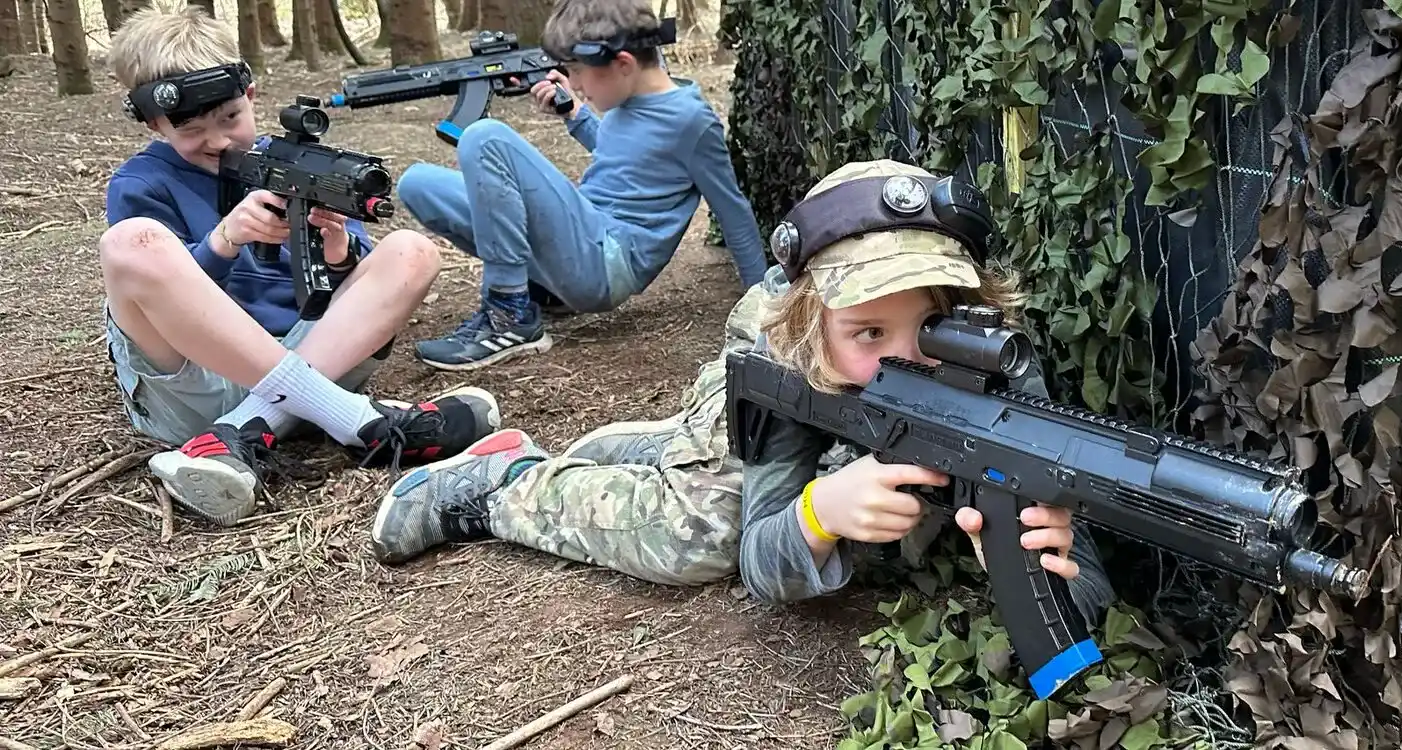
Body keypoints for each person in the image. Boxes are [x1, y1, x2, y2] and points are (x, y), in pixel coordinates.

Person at [367, 160, 1115, 631]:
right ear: (811, 321)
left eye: (935, 325)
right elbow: (763, 562)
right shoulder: (785, 351)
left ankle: (657, 448)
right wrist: (820, 515)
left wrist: (1040, 560)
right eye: (870, 331)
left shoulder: (999, 368)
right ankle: (498, 484)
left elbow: (1085, 594)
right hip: (776, 379)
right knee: (701, 538)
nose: (909, 355)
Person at [99, 4, 503, 528]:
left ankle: (239, 433)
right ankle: (354, 419)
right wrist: (224, 240)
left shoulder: (292, 162)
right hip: (194, 382)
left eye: (229, 119)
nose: (218, 140)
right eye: (192, 129)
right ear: (153, 123)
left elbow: (345, 287)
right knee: (130, 243)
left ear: (251, 96)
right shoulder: (142, 183)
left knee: (411, 251)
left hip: (312, 357)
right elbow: (162, 308)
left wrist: (336, 249)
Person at [392, 0, 768, 372]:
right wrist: (575, 115)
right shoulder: (628, 98)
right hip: (582, 241)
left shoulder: (692, 122)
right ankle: (541, 290)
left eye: (576, 71)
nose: (573, 83)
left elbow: (732, 211)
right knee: (418, 183)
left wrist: (762, 303)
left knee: (485, 137)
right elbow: (622, 157)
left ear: (623, 64)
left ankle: (508, 313)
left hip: (606, 261)